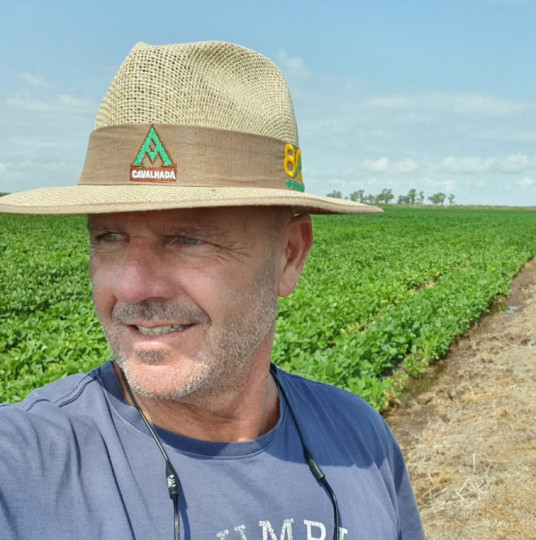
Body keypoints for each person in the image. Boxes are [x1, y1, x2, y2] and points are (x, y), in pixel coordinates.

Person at [0, 41, 424, 539]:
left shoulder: (360, 437)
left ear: (289, 254)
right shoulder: (24, 467)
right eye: (109, 237)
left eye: (188, 238)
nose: (131, 285)